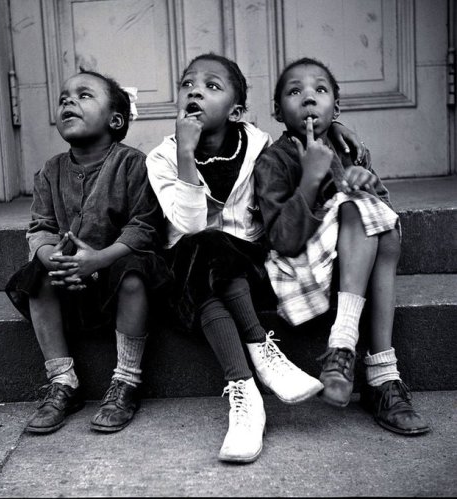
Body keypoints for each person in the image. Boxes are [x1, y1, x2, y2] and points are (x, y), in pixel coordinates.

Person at [146, 53, 366, 463]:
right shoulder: (160, 158)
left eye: (212, 86)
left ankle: (248, 381)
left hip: (248, 267)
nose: (195, 90)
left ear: (238, 110)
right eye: (188, 84)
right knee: (201, 247)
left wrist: (335, 125)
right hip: (187, 268)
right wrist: (185, 157)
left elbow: (304, 126)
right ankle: (251, 373)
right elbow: (190, 226)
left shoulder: (259, 145)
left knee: (213, 254)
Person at [254, 57, 430, 436]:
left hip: (353, 262)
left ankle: (369, 369)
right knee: (356, 209)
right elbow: (283, 239)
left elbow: (386, 217)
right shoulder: (274, 160)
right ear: (277, 110)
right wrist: (311, 178)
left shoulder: (346, 148)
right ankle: (363, 359)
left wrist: (367, 181)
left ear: (337, 107)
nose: (308, 99)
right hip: (300, 269)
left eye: (320, 90)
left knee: (378, 220)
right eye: (294, 91)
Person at [5, 70, 170, 435]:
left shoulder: (133, 164)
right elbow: (40, 227)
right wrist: (51, 256)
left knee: (134, 270)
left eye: (83, 96)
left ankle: (126, 380)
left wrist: (99, 258)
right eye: (64, 97)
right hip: (70, 288)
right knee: (35, 273)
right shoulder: (50, 171)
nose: (68, 101)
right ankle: (63, 381)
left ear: (115, 119)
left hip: (117, 283)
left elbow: (144, 226)